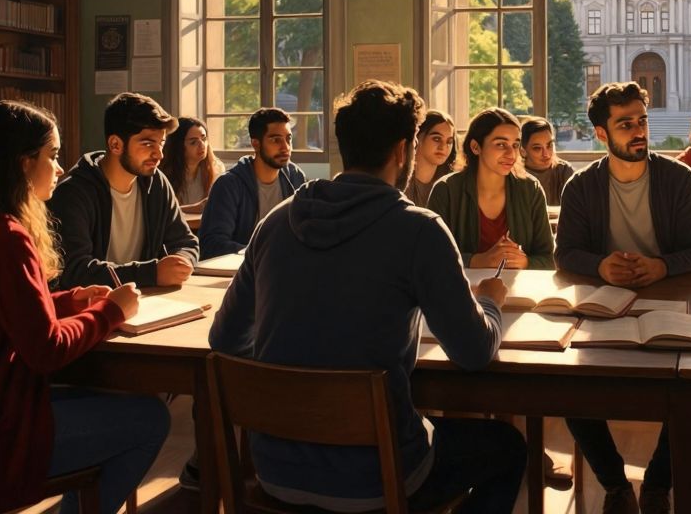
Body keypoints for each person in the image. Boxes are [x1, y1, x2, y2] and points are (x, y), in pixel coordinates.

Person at [209, 80, 525, 513]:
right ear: (402, 150)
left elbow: (225, 340)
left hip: (276, 472)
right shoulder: (419, 230)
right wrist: (489, 300)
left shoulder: (275, 224)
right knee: (507, 446)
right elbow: (473, 353)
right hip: (378, 476)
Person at [0, 100, 168, 514]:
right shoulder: (4, 237)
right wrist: (111, 312)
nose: (60, 169)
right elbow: (46, 349)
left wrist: (70, 300)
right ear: (23, 163)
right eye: (53, 155)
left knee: (114, 401)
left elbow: (6, 309)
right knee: (150, 419)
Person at [555, 81, 691, 514]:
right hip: (603, 310)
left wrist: (662, 266)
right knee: (566, 388)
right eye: (625, 124)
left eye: (642, 121)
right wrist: (600, 266)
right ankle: (615, 485)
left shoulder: (678, 179)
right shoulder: (581, 186)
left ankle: (658, 485)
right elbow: (565, 253)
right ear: (601, 134)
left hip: (671, 305)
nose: (639, 131)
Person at [49, 92, 198, 288]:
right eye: (148, 144)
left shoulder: (157, 183)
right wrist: (152, 273)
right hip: (97, 303)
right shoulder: (72, 194)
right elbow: (75, 271)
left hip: (146, 299)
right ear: (115, 144)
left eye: (161, 143)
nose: (159, 154)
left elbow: (185, 242)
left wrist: (182, 261)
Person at [428, 108, 554, 269]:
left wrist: (526, 262)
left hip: (518, 284)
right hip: (462, 285)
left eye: (515, 145)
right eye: (501, 144)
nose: (511, 154)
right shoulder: (446, 190)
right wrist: (477, 261)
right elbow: (430, 256)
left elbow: (549, 259)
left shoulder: (531, 189)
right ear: (475, 147)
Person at [198, 107, 306, 258]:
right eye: (276, 140)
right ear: (256, 144)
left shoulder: (296, 177)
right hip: (240, 268)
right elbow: (212, 244)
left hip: (286, 265)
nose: (285, 147)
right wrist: (264, 253)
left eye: (288, 139)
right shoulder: (229, 185)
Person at [160, 117, 225, 215]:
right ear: (178, 146)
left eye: (204, 139)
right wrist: (193, 208)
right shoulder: (162, 173)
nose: (202, 145)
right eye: (193, 142)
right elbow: (158, 212)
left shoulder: (217, 168)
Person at [404, 110, 457, 208]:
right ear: (417, 137)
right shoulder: (400, 182)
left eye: (449, 142)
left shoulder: (451, 185)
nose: (443, 147)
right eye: (437, 139)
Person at [519, 116, 575, 206]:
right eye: (537, 148)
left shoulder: (564, 171)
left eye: (549, 145)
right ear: (523, 151)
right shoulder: (516, 175)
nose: (546, 154)